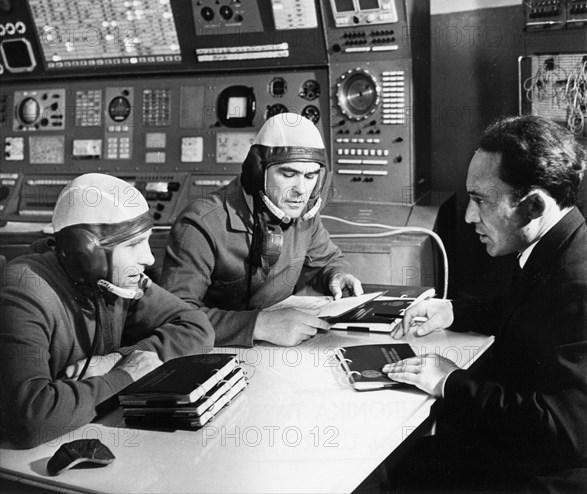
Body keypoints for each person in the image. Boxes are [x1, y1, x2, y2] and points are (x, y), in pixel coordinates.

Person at [383, 115, 587, 492]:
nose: (468, 215)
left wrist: (450, 381)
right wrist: (455, 310)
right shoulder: (561, 247)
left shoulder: (578, 284)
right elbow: (531, 314)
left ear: (532, 207)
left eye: (480, 200)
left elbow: (564, 431)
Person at [0, 173, 215, 449]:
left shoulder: (114, 279)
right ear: (86, 254)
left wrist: (116, 360)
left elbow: (196, 326)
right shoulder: (24, 288)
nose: (148, 258)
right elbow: (29, 419)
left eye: (147, 240)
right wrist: (126, 376)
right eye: (134, 244)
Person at [161, 113, 363, 347]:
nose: (301, 190)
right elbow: (174, 317)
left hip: (276, 349)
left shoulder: (303, 214)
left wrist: (337, 274)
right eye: (289, 174)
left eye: (310, 176)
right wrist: (259, 324)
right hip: (209, 350)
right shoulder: (201, 222)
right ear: (257, 172)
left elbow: (327, 261)